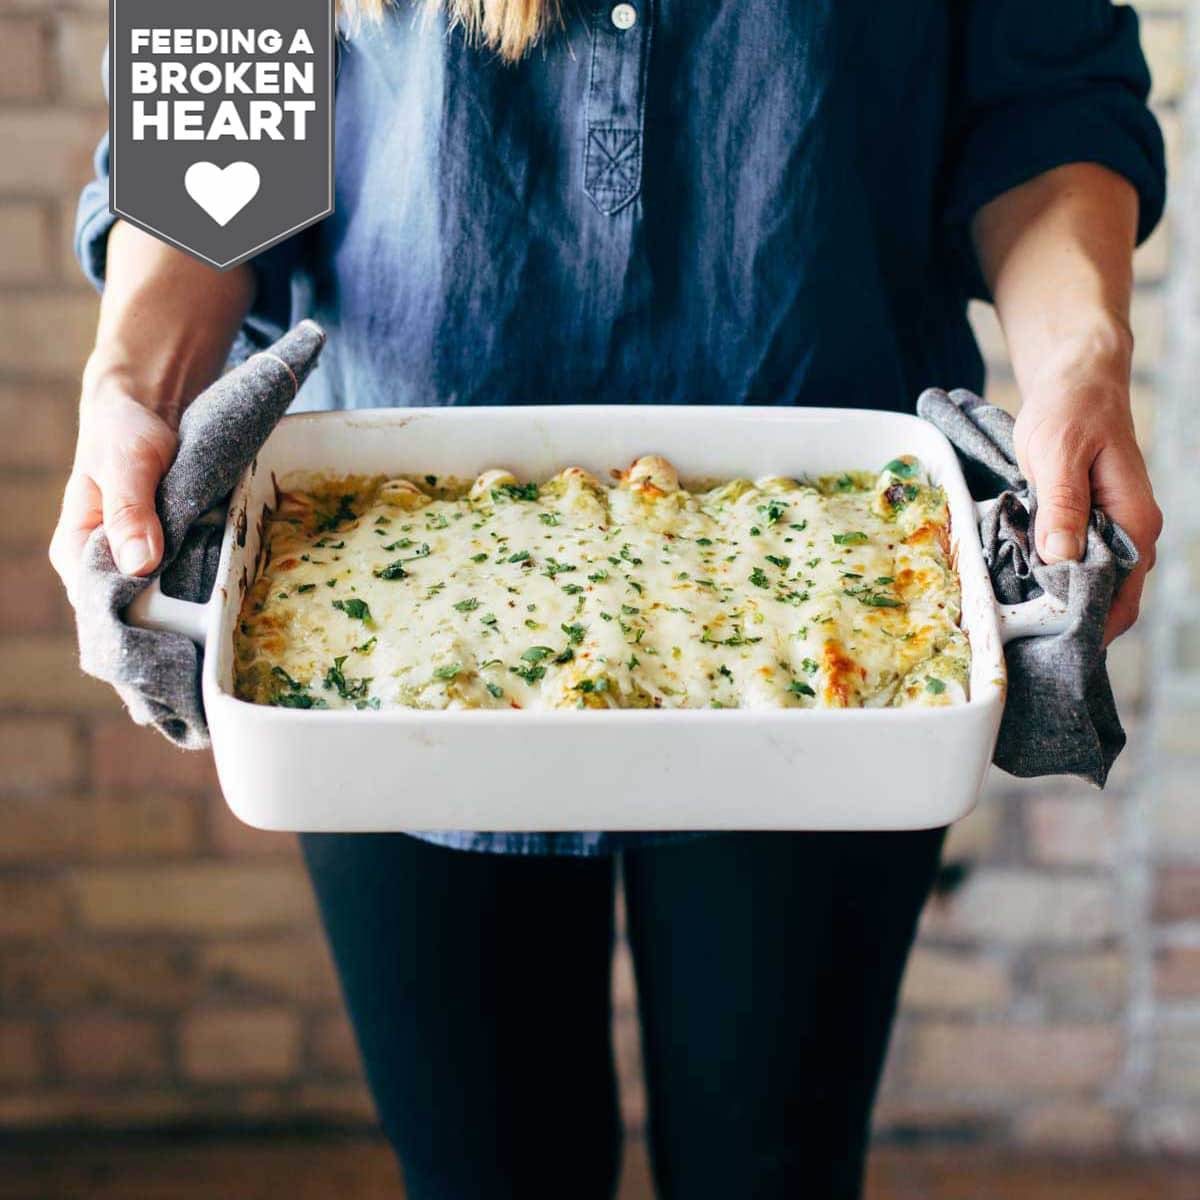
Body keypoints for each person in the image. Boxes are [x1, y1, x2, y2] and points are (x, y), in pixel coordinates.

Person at [53, 2, 1165, 1196]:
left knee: (774, 1170)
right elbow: (220, 77)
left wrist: (1080, 365)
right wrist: (133, 389)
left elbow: (1042, 97)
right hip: (368, 592)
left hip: (849, 599)